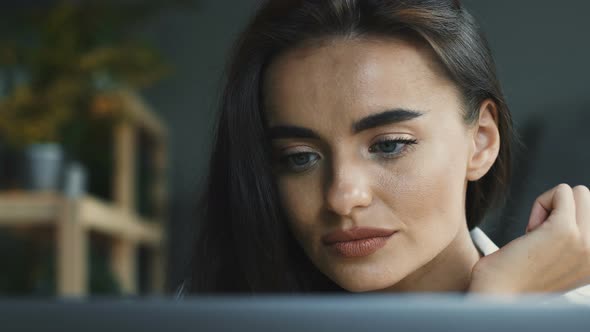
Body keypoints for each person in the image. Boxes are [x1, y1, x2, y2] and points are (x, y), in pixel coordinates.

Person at [184, 0, 590, 296]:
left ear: (481, 140)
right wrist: (491, 311)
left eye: (390, 145)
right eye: (300, 157)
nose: (343, 198)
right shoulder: (201, 316)